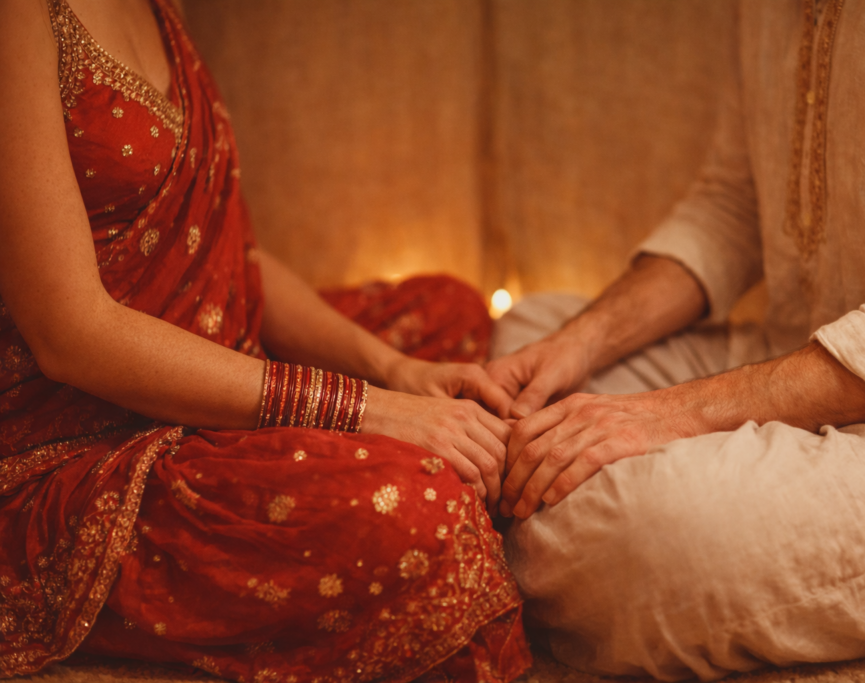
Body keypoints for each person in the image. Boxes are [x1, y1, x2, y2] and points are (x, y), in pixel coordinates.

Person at [487, 0, 865, 680]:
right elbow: (732, 206)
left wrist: (668, 414)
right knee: (529, 337)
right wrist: (581, 342)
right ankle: (534, 512)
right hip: (791, 351)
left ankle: (515, 523)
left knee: (636, 531)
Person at [0, 1, 531, 681]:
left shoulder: (162, 5)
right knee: (426, 508)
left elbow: (237, 260)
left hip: (213, 364)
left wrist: (396, 370)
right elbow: (71, 336)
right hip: (78, 440)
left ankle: (328, 444)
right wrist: (367, 406)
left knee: (450, 313)